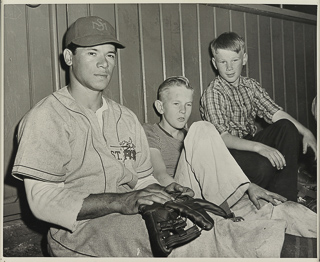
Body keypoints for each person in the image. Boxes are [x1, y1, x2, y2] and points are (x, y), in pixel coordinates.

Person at [11, 16, 193, 257]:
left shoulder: (126, 118)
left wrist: (164, 190)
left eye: (110, 55)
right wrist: (120, 201)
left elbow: (140, 180)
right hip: (76, 233)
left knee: (192, 227)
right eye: (92, 53)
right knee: (171, 246)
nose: (104, 63)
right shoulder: (46, 117)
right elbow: (43, 201)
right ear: (68, 58)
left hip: (127, 217)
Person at [143, 76, 317, 257]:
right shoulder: (151, 131)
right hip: (183, 196)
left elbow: (221, 167)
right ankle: (223, 215)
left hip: (214, 198)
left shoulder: (192, 136)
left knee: (282, 208)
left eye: (188, 104)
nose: (183, 111)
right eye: (176, 104)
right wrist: (189, 201)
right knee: (202, 128)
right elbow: (160, 175)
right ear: (160, 107)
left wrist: (250, 187)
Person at [200, 32, 317, 202]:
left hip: (249, 140)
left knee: (286, 126)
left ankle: (286, 199)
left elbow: (276, 113)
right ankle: (261, 197)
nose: (229, 68)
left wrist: (307, 132)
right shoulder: (213, 93)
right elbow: (222, 138)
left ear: (244, 59)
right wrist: (259, 148)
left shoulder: (250, 86)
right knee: (264, 166)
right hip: (225, 152)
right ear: (214, 63)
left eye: (235, 60)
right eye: (223, 62)